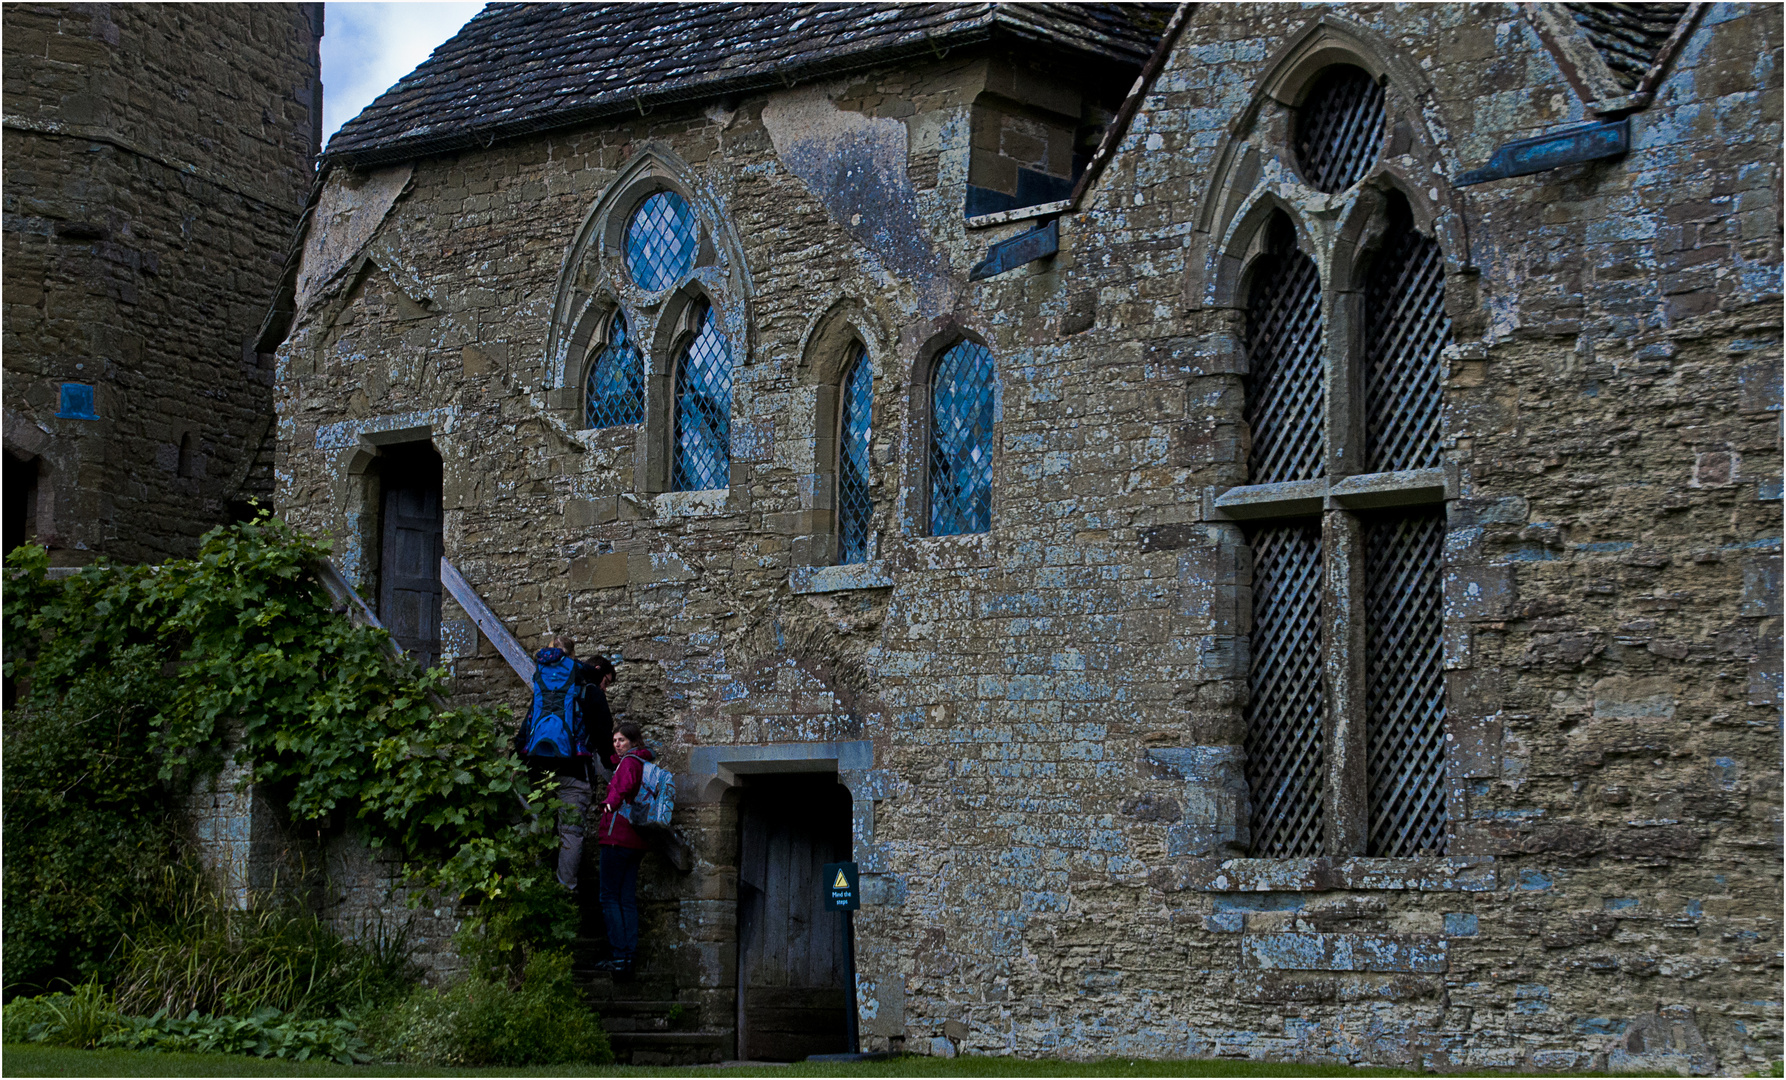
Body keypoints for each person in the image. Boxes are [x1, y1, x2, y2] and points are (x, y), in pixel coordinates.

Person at [514, 634, 611, 893]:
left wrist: (520, 760)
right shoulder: (591, 692)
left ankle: (533, 889)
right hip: (574, 771)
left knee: (539, 826)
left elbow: (525, 729)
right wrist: (612, 766)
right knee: (571, 833)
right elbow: (603, 736)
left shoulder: (543, 686)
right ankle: (564, 892)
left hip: (538, 768)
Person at [595, 721, 653, 978]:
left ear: (633, 741)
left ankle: (619, 956)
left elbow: (623, 788)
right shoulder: (643, 763)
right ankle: (628, 955)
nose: (617, 744)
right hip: (635, 840)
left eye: (621, 740)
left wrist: (607, 804)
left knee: (609, 897)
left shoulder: (629, 763)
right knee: (626, 899)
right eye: (615, 740)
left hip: (616, 837)